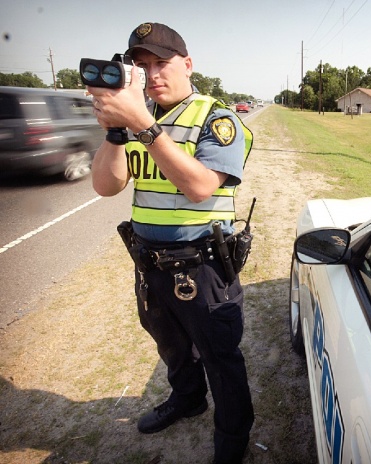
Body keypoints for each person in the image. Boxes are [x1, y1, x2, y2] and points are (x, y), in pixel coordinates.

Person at [87, 22, 253, 463]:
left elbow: (200, 187)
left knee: (220, 356)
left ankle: (232, 439)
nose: (153, 74)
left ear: (188, 64)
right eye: (142, 66)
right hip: (151, 264)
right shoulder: (141, 120)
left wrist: (141, 124)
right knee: (171, 345)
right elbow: (108, 185)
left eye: (162, 63)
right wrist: (115, 132)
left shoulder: (216, 118)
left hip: (201, 266)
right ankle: (187, 399)